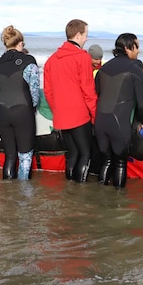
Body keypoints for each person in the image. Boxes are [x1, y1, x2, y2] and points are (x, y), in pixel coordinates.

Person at [43, 19, 98, 182]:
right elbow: (88, 90)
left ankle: (70, 189)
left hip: (61, 116)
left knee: (73, 153)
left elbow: (48, 91)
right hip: (79, 115)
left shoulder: (51, 60)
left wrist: (57, 110)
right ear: (78, 34)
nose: (87, 39)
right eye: (86, 35)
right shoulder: (82, 57)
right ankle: (78, 191)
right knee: (86, 154)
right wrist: (95, 114)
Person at [94, 33, 143, 188]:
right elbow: (142, 103)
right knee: (120, 163)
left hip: (100, 123)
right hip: (119, 123)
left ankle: (98, 199)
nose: (138, 50)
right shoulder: (134, 69)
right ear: (127, 47)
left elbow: (97, 94)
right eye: (136, 46)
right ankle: (118, 205)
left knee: (107, 160)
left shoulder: (103, 68)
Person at [0, 25, 40, 179]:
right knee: (25, 156)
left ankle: (8, 192)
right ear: (20, 43)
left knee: (10, 156)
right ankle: (22, 197)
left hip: (2, 112)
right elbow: (34, 89)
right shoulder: (29, 61)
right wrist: (33, 107)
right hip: (22, 111)